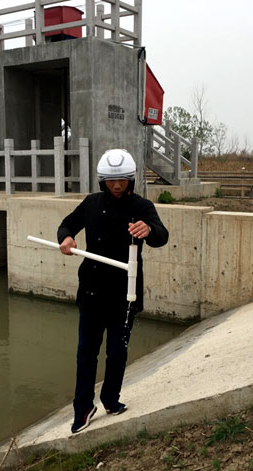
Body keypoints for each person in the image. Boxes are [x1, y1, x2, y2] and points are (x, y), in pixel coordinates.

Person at [57, 148, 169, 434]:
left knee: (117, 353)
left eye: (122, 180)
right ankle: (83, 408)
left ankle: (110, 399)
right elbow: (67, 224)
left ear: (131, 180)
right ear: (102, 181)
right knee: (86, 353)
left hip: (124, 295)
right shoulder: (91, 203)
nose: (116, 185)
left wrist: (149, 230)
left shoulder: (142, 207)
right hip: (91, 292)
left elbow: (161, 235)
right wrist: (66, 238)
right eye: (110, 180)